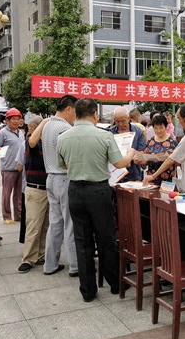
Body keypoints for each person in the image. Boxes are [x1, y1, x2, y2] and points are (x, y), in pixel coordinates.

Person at [57, 98, 136, 302]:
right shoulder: (104, 135)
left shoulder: (63, 137)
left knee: (82, 241)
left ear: (75, 114)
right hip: (99, 191)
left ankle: (88, 290)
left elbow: (62, 165)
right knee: (106, 238)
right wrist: (130, 154)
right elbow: (119, 164)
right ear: (94, 114)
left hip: (75, 191)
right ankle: (115, 284)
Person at [29, 95, 79, 277]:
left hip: (50, 178)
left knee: (55, 223)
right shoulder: (65, 128)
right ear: (69, 109)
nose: (76, 116)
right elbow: (69, 158)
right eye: (76, 112)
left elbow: (32, 142)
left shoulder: (47, 125)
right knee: (70, 224)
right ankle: (75, 266)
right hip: (64, 179)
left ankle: (50, 264)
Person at [18, 116, 49, 273]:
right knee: (34, 226)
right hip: (36, 189)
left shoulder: (47, 143)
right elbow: (32, 143)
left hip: (48, 189)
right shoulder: (31, 142)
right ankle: (28, 258)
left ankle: (41, 255)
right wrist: (44, 122)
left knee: (45, 226)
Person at [0, 108, 25, 224]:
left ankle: (18, 215)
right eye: (13, 119)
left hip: (20, 168)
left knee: (19, 194)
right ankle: (7, 216)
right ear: (7, 120)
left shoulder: (21, 133)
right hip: (8, 169)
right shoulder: (2, 133)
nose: (16, 121)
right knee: (7, 193)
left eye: (18, 119)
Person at [109, 106, 147, 182]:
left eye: (123, 121)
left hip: (134, 174)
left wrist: (134, 156)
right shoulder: (110, 133)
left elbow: (142, 151)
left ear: (129, 118)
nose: (120, 124)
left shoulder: (138, 131)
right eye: (117, 121)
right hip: (114, 176)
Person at [138, 114, 178, 186]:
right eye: (156, 128)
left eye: (161, 127)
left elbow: (176, 161)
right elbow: (145, 161)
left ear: (166, 126)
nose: (158, 131)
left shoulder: (172, 142)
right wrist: (139, 160)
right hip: (151, 178)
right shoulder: (151, 141)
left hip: (167, 180)